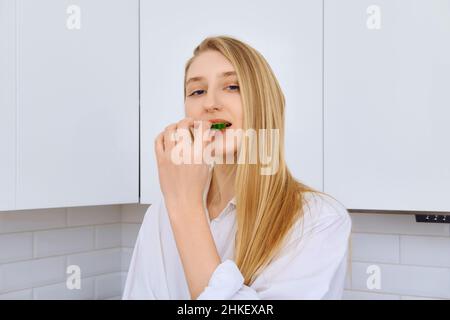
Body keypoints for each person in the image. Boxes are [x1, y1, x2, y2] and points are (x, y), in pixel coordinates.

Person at [122, 35, 351, 300]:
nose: (210, 104)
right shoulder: (161, 213)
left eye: (232, 87)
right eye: (197, 91)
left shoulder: (317, 221)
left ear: (264, 104)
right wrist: (180, 202)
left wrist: (186, 209)